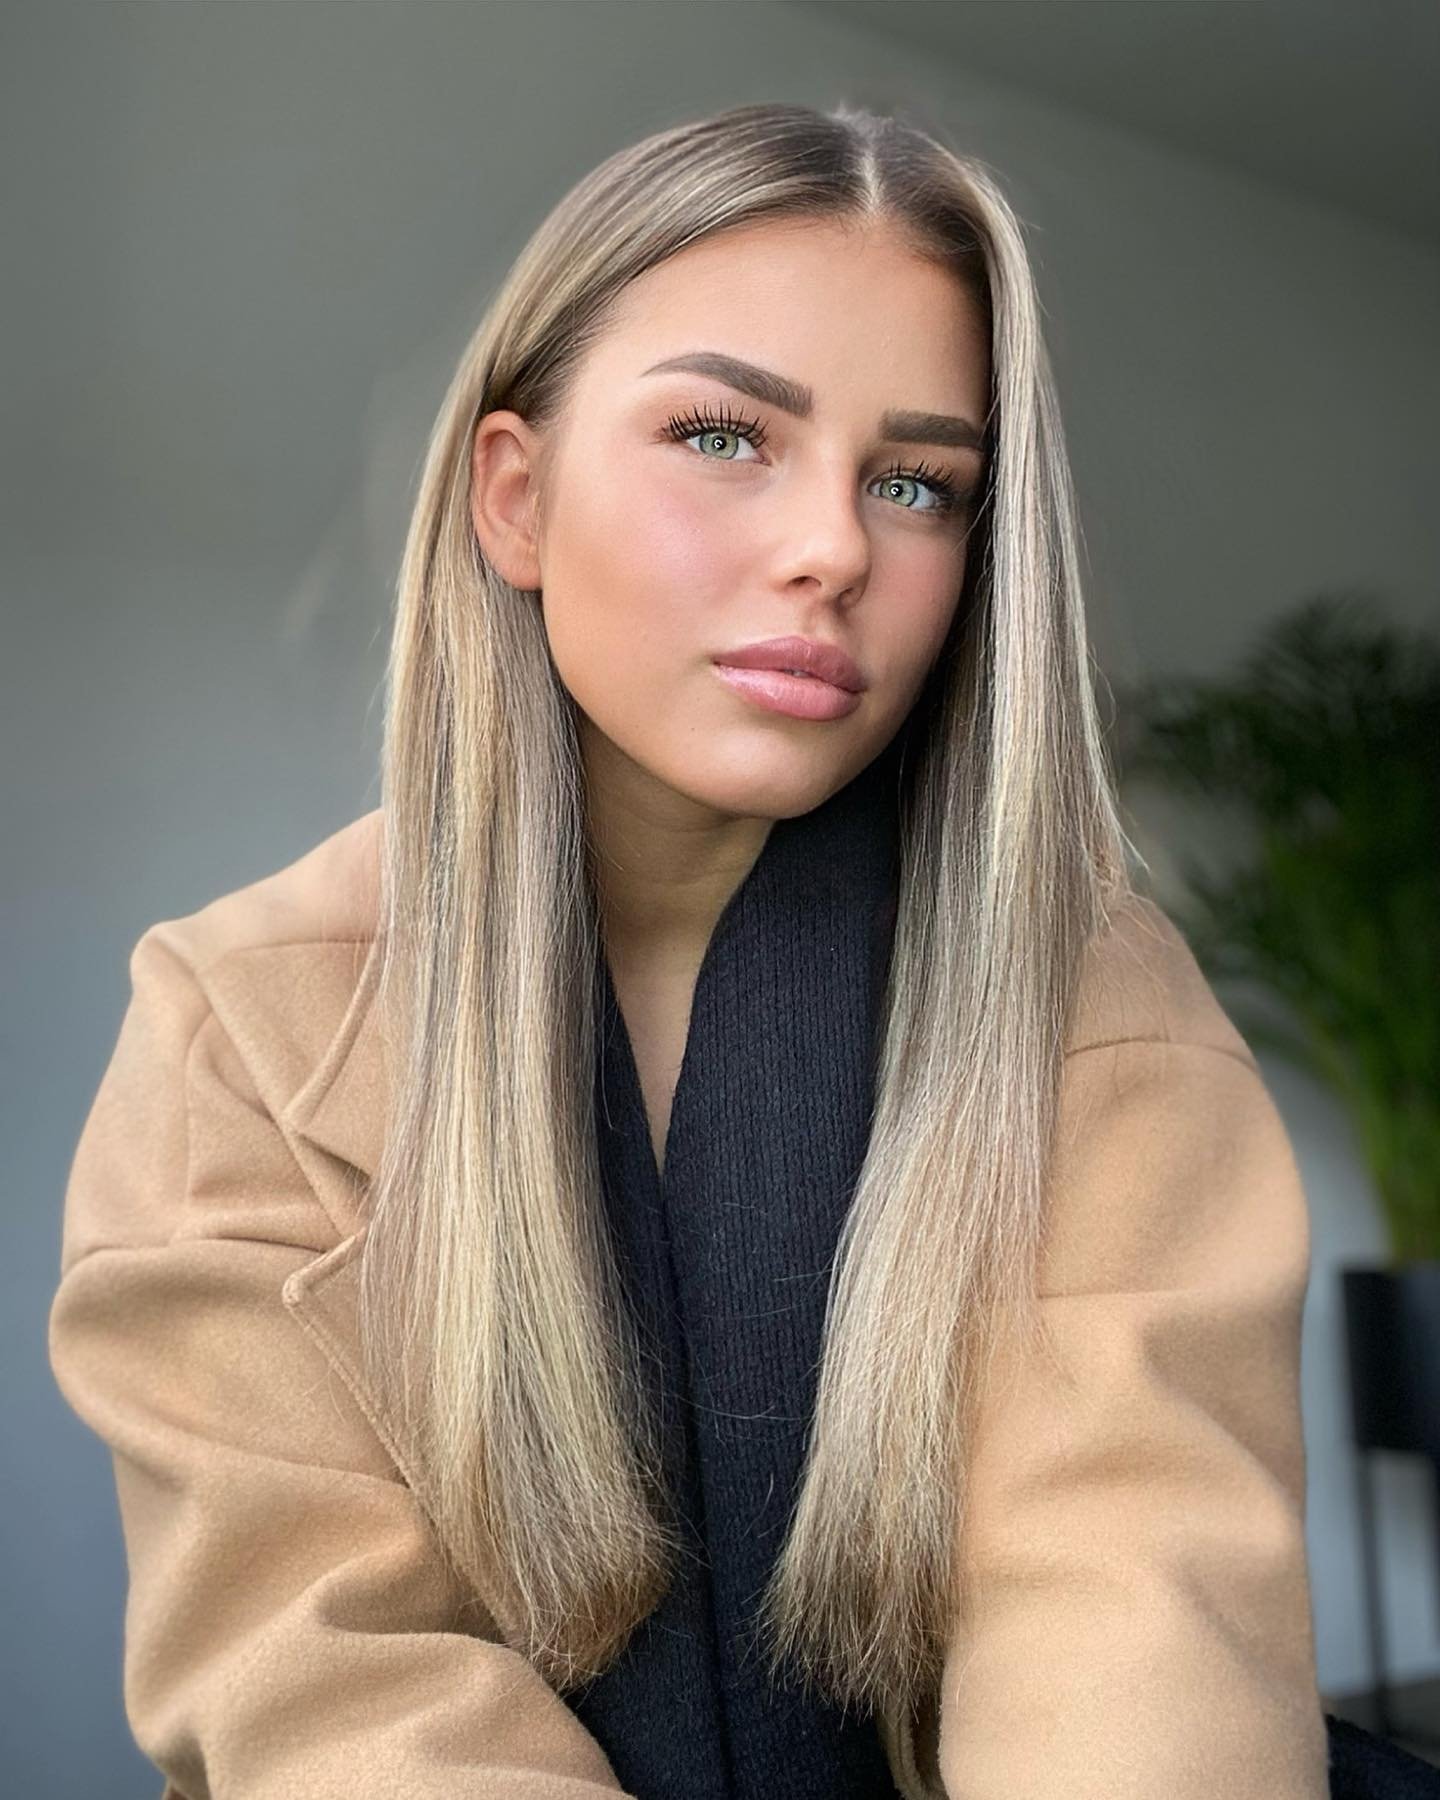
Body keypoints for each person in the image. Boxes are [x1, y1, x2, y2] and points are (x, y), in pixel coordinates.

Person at [48, 101, 1337, 1797]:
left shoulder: (1091, 996)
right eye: (725, 435)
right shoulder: (244, 1029)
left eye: (919, 484)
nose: (834, 549)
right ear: (515, 500)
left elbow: (1136, 1632)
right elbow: (330, 1685)